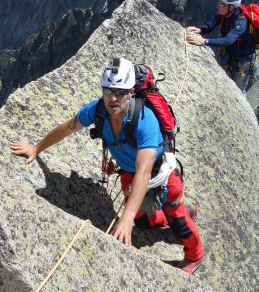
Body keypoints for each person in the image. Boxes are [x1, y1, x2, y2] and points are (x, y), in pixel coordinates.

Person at [10, 57, 204, 274]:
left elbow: (144, 171)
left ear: (131, 91)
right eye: (108, 90)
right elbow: (68, 127)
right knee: (142, 223)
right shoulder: (98, 110)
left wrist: (127, 216)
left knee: (178, 222)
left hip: (162, 177)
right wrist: (36, 148)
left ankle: (195, 254)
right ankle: (172, 214)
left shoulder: (144, 121)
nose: (113, 98)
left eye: (120, 92)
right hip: (130, 176)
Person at [186, 0, 255, 92]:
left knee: (237, 91)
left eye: (221, 4)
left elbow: (228, 40)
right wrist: (200, 30)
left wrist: (203, 41)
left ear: (231, 7)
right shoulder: (224, 13)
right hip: (228, 54)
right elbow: (211, 25)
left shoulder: (241, 22)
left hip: (243, 61)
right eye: (219, 3)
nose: (217, 6)